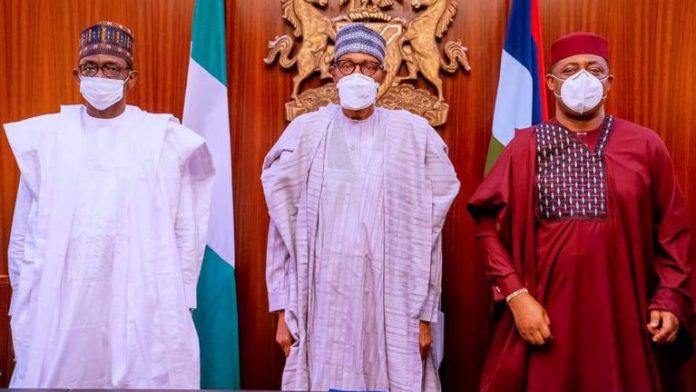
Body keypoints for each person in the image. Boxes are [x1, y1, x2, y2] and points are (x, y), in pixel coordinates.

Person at [468, 32, 693, 391]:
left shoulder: (646, 145)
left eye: (594, 69)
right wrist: (516, 296)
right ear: (552, 83)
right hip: (543, 321)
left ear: (608, 82)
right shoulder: (525, 146)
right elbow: (488, 229)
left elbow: (673, 233)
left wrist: (669, 298)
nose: (582, 78)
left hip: (624, 321)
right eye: (570, 70)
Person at [4, 21, 214, 388]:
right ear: (76, 73)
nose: (100, 75)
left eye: (111, 68)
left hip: (143, 307)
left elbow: (186, 230)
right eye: (91, 67)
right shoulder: (49, 139)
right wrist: (27, 298)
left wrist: (178, 298)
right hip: (62, 306)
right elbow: (24, 233)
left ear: (130, 77)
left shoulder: (162, 139)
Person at [261, 22, 460, 392]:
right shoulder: (307, 132)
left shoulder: (413, 136)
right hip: (322, 304)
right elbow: (281, 233)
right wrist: (282, 311)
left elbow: (428, 241)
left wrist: (425, 315)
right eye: (348, 64)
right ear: (333, 71)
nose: (357, 74)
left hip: (393, 303)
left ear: (383, 74)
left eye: (368, 66)